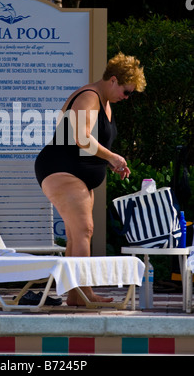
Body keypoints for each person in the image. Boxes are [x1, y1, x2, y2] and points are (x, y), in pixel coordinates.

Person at [35, 52, 146, 306]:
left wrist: (107, 160)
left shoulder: (105, 102)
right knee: (83, 230)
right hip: (60, 168)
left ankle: (76, 295)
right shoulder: (89, 96)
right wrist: (113, 157)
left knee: (78, 233)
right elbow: (81, 137)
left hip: (77, 173)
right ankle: (85, 294)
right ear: (114, 80)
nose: (126, 98)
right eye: (126, 92)